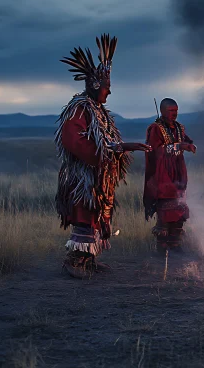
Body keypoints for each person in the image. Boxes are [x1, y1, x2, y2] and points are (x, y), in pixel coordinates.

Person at [55, 33, 150, 278]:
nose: (109, 93)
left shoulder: (99, 111)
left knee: (97, 216)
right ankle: (73, 262)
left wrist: (125, 147)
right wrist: (112, 150)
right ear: (97, 86)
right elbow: (72, 139)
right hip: (84, 177)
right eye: (107, 88)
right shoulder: (80, 108)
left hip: (100, 177)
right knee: (85, 215)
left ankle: (89, 260)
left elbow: (109, 142)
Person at [143, 98, 196, 252]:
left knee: (179, 206)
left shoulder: (179, 127)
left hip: (178, 171)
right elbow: (155, 150)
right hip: (163, 173)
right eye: (171, 111)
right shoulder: (155, 128)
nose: (175, 113)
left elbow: (185, 140)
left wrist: (189, 145)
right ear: (163, 111)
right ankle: (162, 247)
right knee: (166, 208)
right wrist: (179, 146)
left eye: (176, 110)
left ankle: (175, 244)